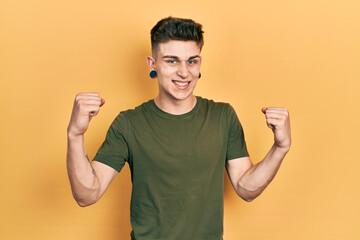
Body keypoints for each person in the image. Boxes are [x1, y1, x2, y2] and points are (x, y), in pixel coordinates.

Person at [66, 16, 291, 240]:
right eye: (172, 61)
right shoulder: (129, 124)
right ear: (152, 64)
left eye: (191, 61)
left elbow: (245, 187)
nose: (184, 72)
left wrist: (280, 147)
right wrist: (75, 134)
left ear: (199, 63)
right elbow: (88, 194)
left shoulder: (223, 116)